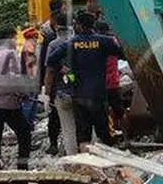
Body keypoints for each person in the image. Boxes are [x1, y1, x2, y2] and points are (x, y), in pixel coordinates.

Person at [47, 12, 123, 149]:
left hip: (79, 95)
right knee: (104, 132)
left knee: (83, 134)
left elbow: (51, 60)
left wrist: (63, 68)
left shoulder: (71, 43)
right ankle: (108, 160)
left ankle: (86, 166)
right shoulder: (104, 41)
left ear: (80, 26)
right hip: (98, 95)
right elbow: (123, 54)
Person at [0, 29, 35, 170]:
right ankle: (22, 164)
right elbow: (14, 79)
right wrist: (22, 93)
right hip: (10, 105)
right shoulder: (10, 56)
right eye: (15, 39)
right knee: (24, 132)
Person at [44, 13, 77, 155]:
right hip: (80, 90)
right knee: (82, 125)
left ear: (56, 26)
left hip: (61, 91)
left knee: (67, 128)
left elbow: (50, 70)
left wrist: (47, 92)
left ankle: (74, 158)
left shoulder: (53, 44)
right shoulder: (79, 41)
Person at [39, 0, 66, 155]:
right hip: (70, 80)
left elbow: (46, 64)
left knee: (54, 114)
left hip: (56, 81)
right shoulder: (72, 37)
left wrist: (46, 89)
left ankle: (54, 143)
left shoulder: (49, 39)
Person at [96, 20, 125, 140]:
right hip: (114, 83)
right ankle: (126, 136)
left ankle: (108, 136)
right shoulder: (113, 43)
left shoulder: (96, 44)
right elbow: (123, 55)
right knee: (120, 112)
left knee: (103, 112)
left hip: (100, 84)